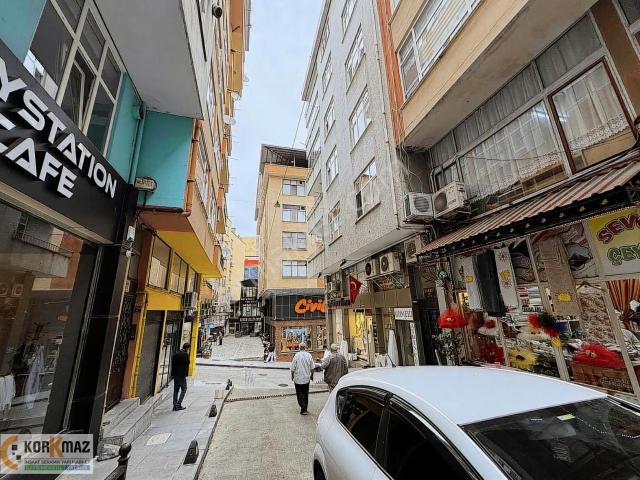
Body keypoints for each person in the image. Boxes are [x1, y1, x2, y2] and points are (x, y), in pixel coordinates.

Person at [290, 343, 314, 415]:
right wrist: (312, 375)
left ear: (299, 347)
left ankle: (303, 408)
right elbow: (312, 368)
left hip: (298, 378)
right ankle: (304, 408)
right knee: (305, 393)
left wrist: (292, 375)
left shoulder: (296, 355)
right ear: (305, 347)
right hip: (306, 378)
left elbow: (292, 368)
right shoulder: (309, 355)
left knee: (299, 393)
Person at [171, 343, 191, 411]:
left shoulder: (176, 353)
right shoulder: (185, 354)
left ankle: (175, 405)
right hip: (181, 375)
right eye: (188, 348)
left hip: (175, 375)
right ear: (187, 348)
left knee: (176, 390)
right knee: (184, 389)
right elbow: (188, 362)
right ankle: (178, 404)